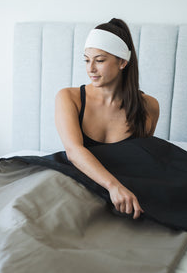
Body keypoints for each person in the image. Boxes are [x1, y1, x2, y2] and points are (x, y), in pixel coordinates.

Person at [55, 18, 159, 220]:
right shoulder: (69, 97)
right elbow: (74, 151)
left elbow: (141, 161)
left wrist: (121, 190)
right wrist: (113, 187)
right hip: (79, 182)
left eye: (100, 60)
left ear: (122, 62)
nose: (90, 68)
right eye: (86, 60)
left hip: (124, 192)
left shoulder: (149, 106)